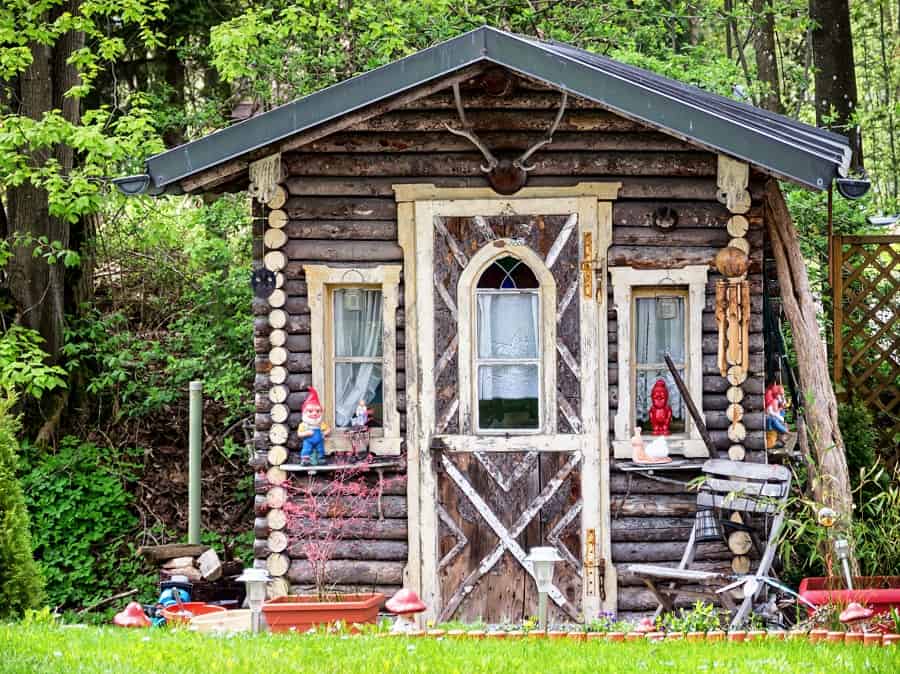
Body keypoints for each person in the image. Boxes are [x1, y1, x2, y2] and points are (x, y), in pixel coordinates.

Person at [298, 387, 331, 465]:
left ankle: (321, 458)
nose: (314, 413)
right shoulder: (304, 424)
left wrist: (324, 433)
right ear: (304, 413)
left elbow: (328, 429)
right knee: (306, 449)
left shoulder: (320, 424)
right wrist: (306, 433)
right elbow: (299, 434)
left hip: (319, 440)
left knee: (320, 449)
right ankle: (305, 459)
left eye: (318, 411)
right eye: (310, 411)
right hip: (308, 440)